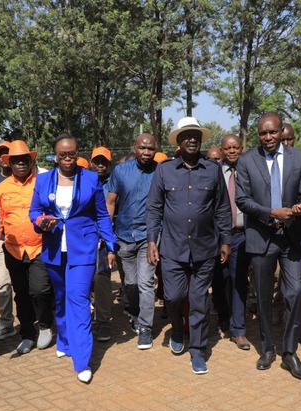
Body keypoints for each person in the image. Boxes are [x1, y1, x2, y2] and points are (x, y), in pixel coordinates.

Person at [146, 117, 232, 375]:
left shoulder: (212, 169)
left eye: (196, 135)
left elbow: (223, 208)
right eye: (187, 136)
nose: (192, 139)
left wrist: (225, 240)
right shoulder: (165, 170)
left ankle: (197, 351)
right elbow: (154, 208)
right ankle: (176, 328)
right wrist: (152, 241)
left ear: (201, 139)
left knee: (198, 302)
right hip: (172, 248)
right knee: (173, 297)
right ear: (179, 141)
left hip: (206, 248)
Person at [29, 134, 116, 384]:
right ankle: (64, 339)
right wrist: (40, 221)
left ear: (78, 154)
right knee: (61, 297)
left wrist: (110, 245)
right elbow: (34, 211)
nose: (67, 158)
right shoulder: (43, 180)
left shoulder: (90, 178)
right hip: (55, 248)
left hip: (83, 248)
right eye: (62, 154)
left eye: (72, 153)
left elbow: (101, 215)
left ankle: (82, 360)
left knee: (78, 299)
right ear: (55, 155)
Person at [235, 112, 301, 380]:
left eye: (272, 132)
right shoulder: (246, 161)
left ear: (281, 131)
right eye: (262, 133)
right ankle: (268, 349)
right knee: (264, 298)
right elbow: (242, 200)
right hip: (261, 237)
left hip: (292, 237)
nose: (267, 137)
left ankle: (289, 353)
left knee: (294, 293)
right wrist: (271, 213)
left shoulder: (299, 158)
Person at [0, 140, 55, 355]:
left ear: (31, 161)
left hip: (39, 247)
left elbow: (50, 209)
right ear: (9, 163)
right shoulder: (1, 189)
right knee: (21, 294)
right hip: (13, 250)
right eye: (16, 160)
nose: (21, 163)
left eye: (25, 160)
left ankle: (46, 325)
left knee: (40, 290)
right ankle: (28, 334)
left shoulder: (42, 183)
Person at [107, 134, 158, 349]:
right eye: (142, 148)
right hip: (124, 237)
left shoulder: (160, 171)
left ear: (155, 150)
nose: (146, 152)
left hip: (148, 237)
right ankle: (135, 314)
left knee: (146, 282)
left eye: (150, 149)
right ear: (134, 148)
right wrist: (108, 236)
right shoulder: (120, 171)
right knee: (130, 283)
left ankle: (146, 328)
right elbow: (110, 203)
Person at [210, 134, 251, 349]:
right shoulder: (213, 171)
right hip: (217, 236)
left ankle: (239, 329)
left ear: (241, 148)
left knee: (239, 281)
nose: (232, 151)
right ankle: (223, 318)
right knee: (220, 280)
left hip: (242, 235)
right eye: (228, 148)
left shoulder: (249, 170)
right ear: (222, 150)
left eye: (236, 147)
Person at [0, 141, 17, 341]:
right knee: (3, 284)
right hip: (1, 241)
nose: (4, 158)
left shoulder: (28, 180)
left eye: (7, 153)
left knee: (27, 285)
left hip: (26, 242)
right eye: (1, 154)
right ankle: (6, 323)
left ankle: (31, 321)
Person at [90, 146, 114, 342]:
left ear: (109, 164)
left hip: (107, 239)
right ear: (91, 163)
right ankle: (85, 321)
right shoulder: (84, 182)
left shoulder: (115, 182)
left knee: (102, 278)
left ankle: (104, 321)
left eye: (104, 162)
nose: (100, 165)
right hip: (84, 238)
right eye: (97, 161)